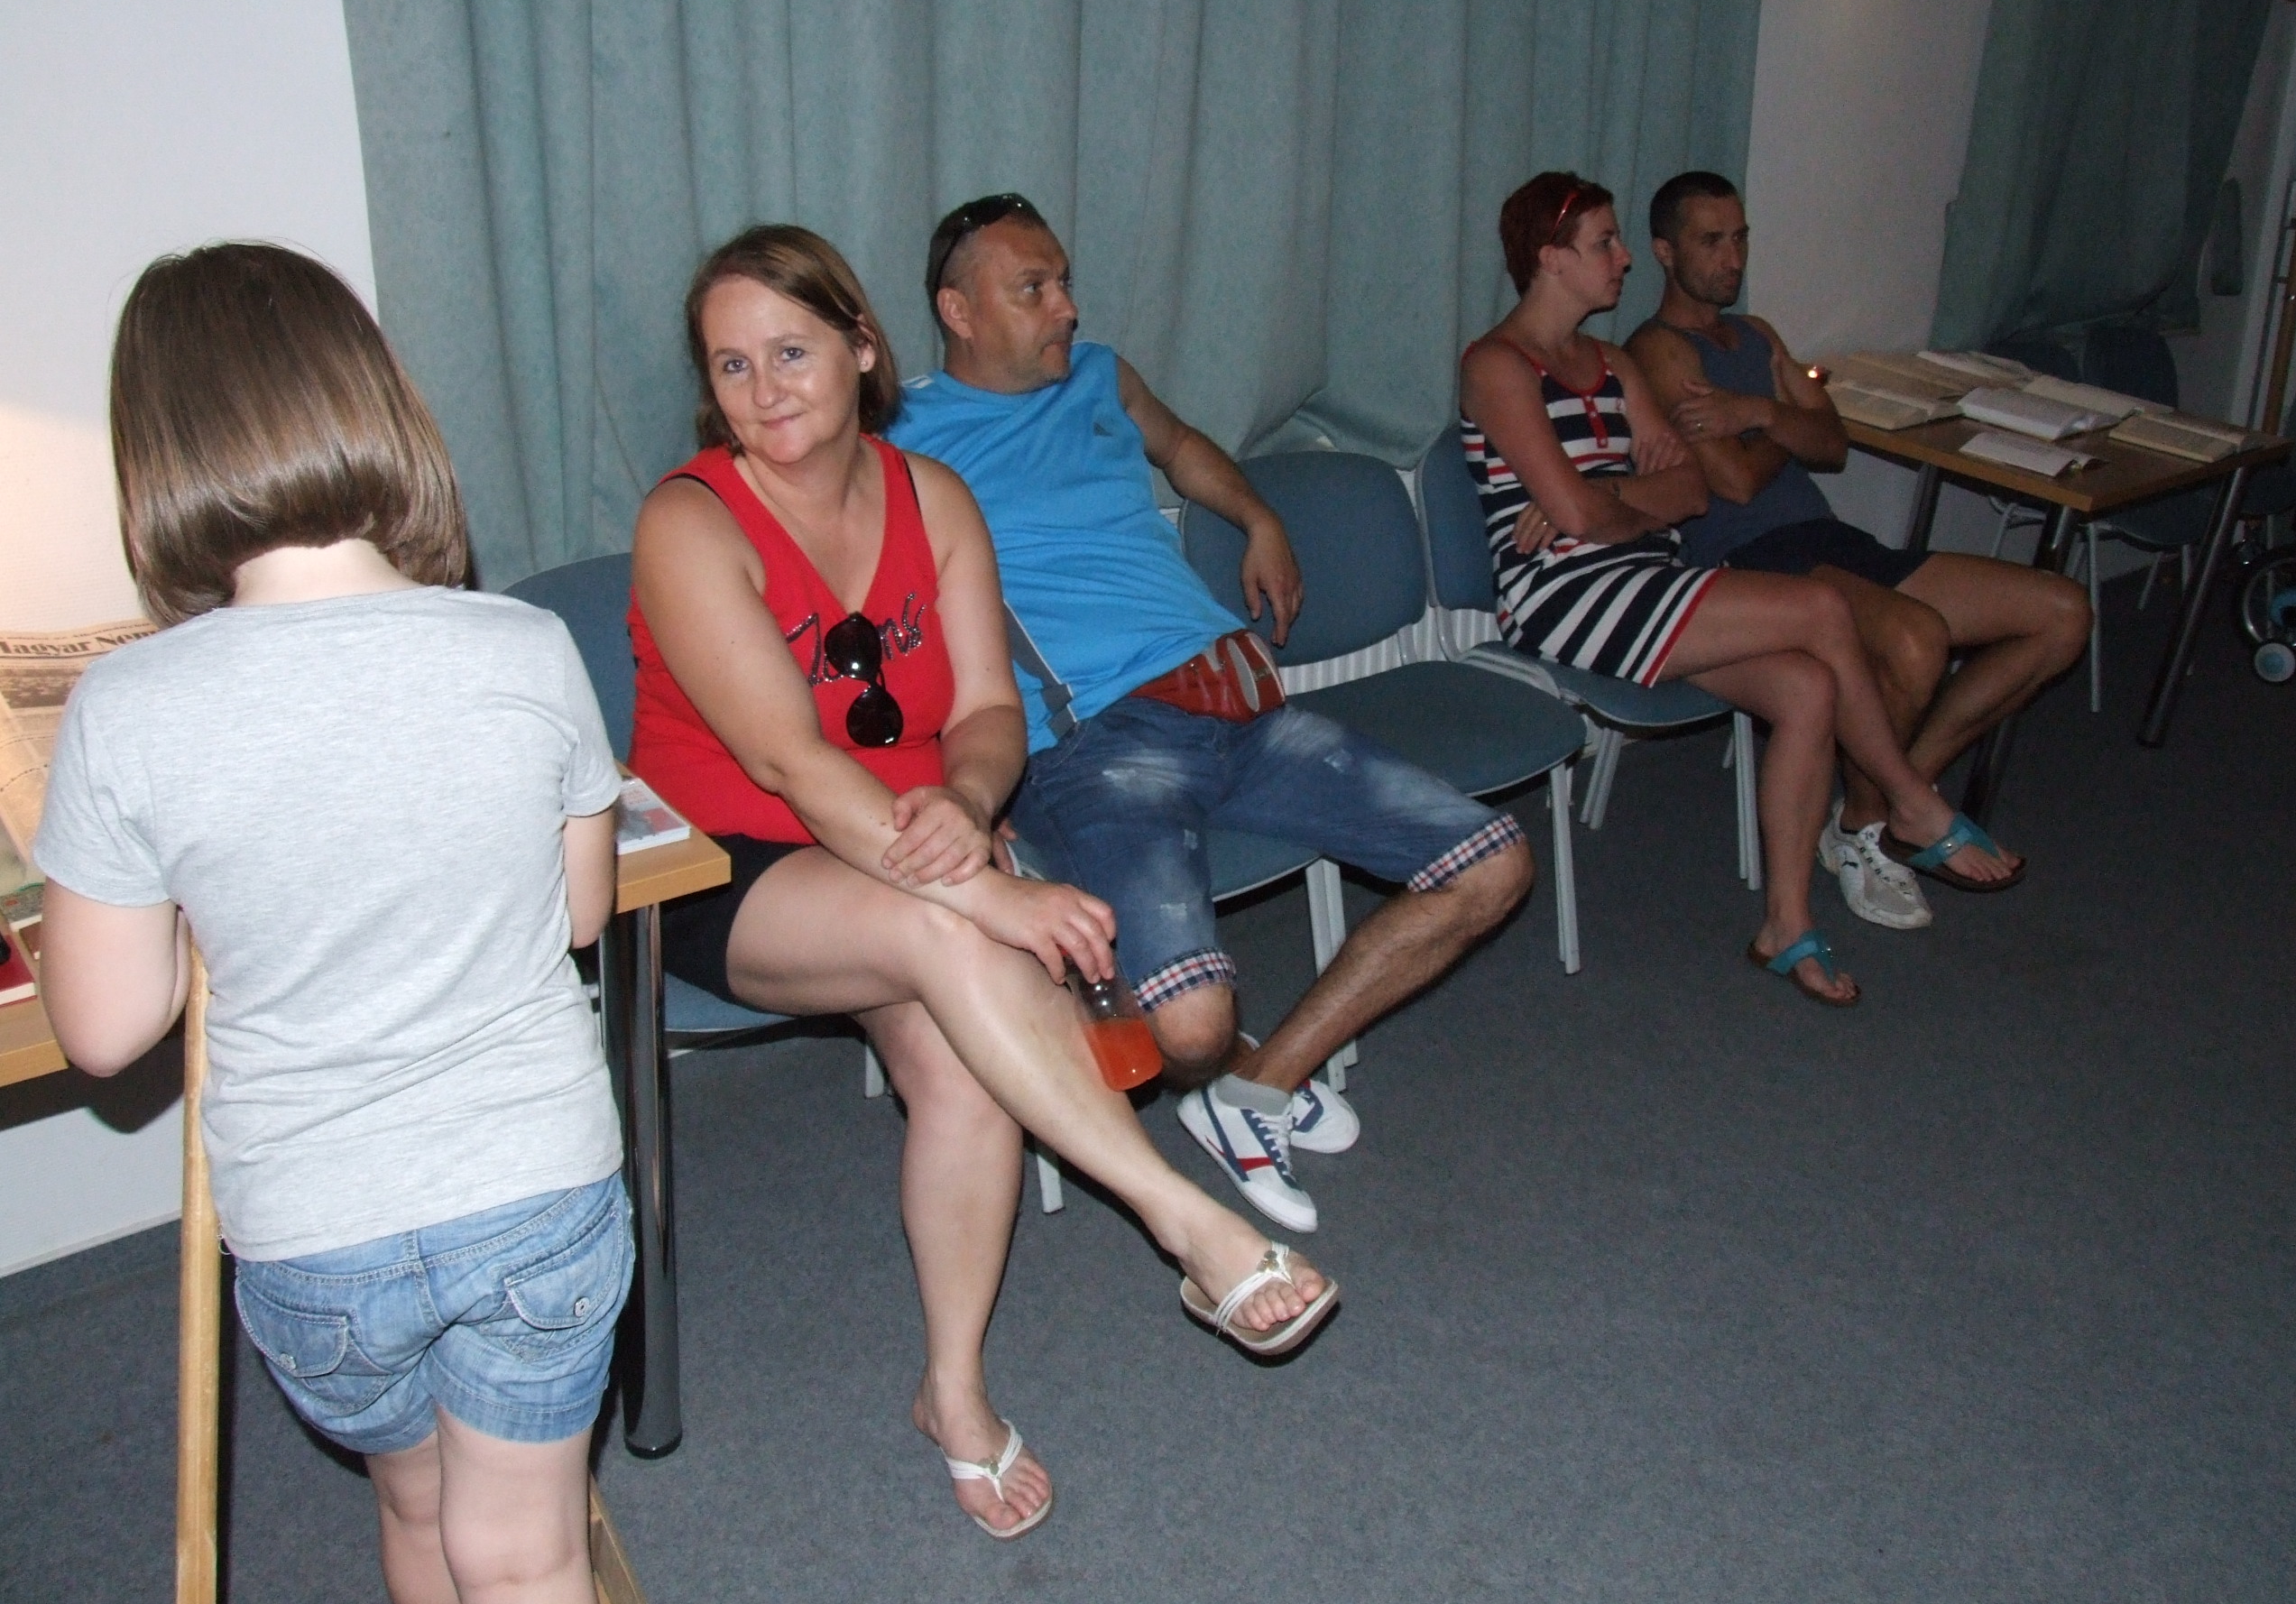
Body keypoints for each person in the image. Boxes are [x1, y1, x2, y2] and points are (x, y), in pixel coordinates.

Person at [628, 225, 1337, 1540]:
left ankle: (950, 1391)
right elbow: (788, 763)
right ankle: (1186, 1220)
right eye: (731, 365)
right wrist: (989, 892)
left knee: (963, 1072)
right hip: (731, 862)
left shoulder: (932, 497)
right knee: (959, 946)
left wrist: (964, 806)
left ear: (861, 348)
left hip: (912, 840)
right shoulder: (690, 520)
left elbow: (989, 714)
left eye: (791, 352)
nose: (764, 389)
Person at [38, 244, 632, 1604]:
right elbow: (582, 912)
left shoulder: (125, 710)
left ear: (160, 460)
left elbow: (106, 1029)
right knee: (528, 1551)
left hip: (319, 1230)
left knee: (417, 1507)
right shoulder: (522, 645)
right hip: (535, 1183)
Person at [890, 193, 1535, 1234]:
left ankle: (1258, 1087)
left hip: (1243, 707)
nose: (1066, 308)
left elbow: (1182, 445)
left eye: (1064, 282)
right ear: (957, 312)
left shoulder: (1099, 375)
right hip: (1095, 748)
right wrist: (965, 789)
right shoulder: (900, 438)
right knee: (1187, 1028)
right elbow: (883, 625)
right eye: (1033, 289)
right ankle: (1226, 1066)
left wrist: (1257, 516)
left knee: (1493, 866)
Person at [1459, 172, 2027, 1008]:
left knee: (1807, 686)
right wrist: (1611, 500)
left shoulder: (1615, 363)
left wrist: (1606, 497)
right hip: (1562, 595)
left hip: (1646, 576)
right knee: (1821, 609)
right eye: (1604, 244)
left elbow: (1689, 492)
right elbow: (1576, 517)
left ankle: (1785, 928)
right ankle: (1910, 801)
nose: (1624, 258)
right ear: (1550, 259)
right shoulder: (1497, 365)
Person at [1625, 171, 2089, 928]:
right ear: (1664, 252)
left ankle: (1876, 808)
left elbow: (1834, 444)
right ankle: (1883, 817)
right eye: (1711, 242)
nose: (1732, 259)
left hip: (1828, 537)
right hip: (1751, 556)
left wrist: (1757, 412)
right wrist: (1785, 419)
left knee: (2062, 614)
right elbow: (1735, 483)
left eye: (1740, 238)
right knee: (1916, 641)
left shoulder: (1758, 335)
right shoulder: (1658, 350)